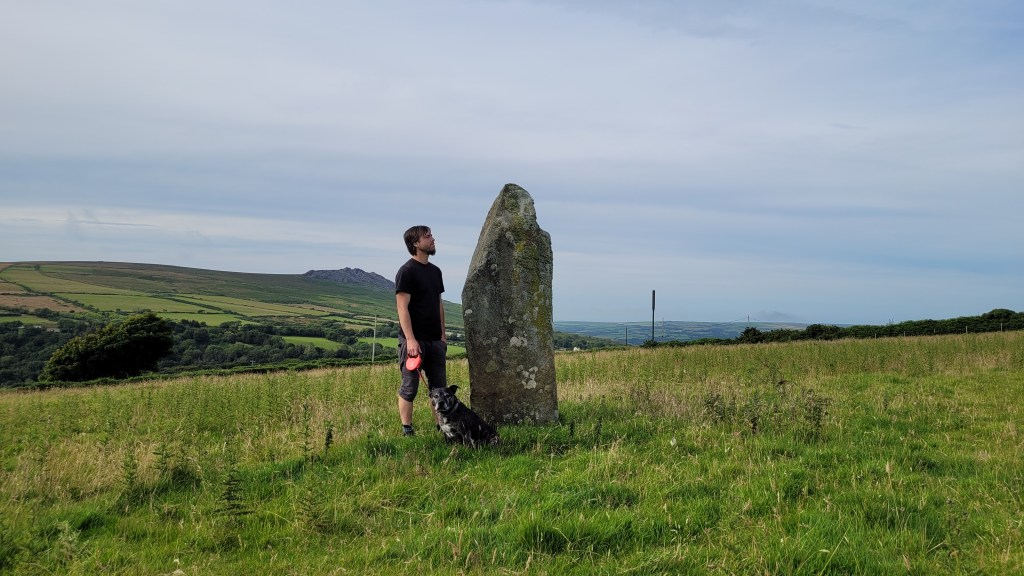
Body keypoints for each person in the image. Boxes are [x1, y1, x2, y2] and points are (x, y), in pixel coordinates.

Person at [395, 225, 447, 436]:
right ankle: (407, 430)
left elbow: (439, 304)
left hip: (435, 341)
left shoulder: (436, 272)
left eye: (432, 235)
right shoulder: (406, 271)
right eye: (428, 237)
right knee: (410, 388)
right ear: (416, 243)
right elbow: (402, 307)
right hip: (414, 342)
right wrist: (410, 340)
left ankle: (441, 427)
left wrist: (442, 336)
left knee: (439, 390)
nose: (433, 239)